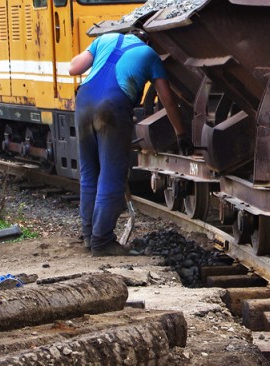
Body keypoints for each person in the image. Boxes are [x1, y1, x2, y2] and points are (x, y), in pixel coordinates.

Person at [69, 32, 194, 256]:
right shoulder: (149, 54)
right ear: (146, 41)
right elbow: (166, 98)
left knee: (89, 173)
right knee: (111, 174)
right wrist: (180, 133)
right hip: (112, 107)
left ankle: (89, 236)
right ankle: (102, 241)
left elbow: (74, 68)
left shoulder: (104, 40)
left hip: (83, 102)